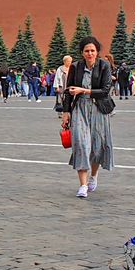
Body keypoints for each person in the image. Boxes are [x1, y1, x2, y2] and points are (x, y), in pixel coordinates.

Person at [57, 37, 115, 199]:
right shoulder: (76, 67)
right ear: (82, 53)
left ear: (97, 52)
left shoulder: (104, 66)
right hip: (80, 109)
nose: (90, 53)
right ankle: (83, 185)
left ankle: (93, 176)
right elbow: (68, 91)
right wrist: (66, 112)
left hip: (98, 108)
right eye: (86, 51)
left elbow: (105, 90)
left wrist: (84, 90)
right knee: (81, 144)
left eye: (92, 51)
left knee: (97, 145)